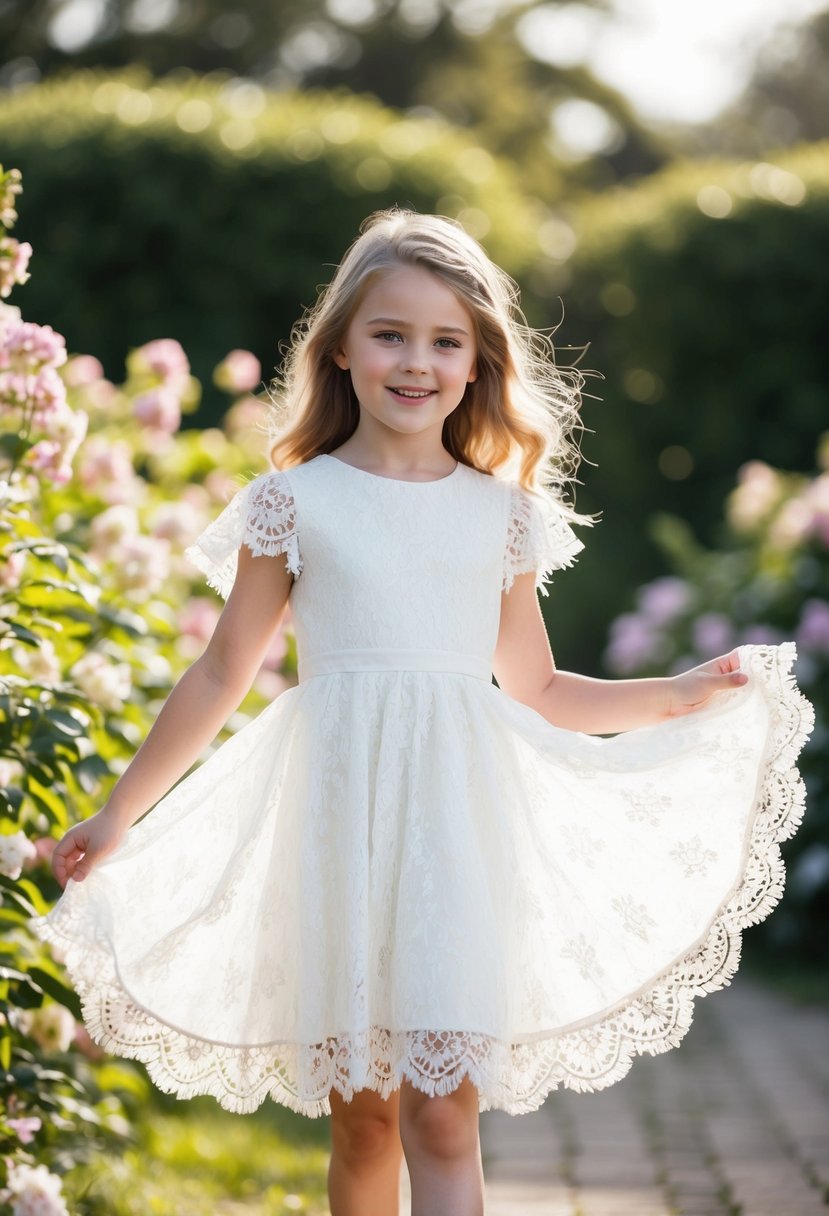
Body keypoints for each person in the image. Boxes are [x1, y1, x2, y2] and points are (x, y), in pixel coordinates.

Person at [33, 209, 813, 1216]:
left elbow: (535, 686)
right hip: (339, 827)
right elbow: (224, 667)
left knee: (443, 1113)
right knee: (362, 1117)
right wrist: (120, 812)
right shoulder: (297, 500)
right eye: (391, 334)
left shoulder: (499, 512)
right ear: (343, 349)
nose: (417, 361)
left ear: (478, 362)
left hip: (455, 831)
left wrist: (676, 695)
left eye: (446, 341)